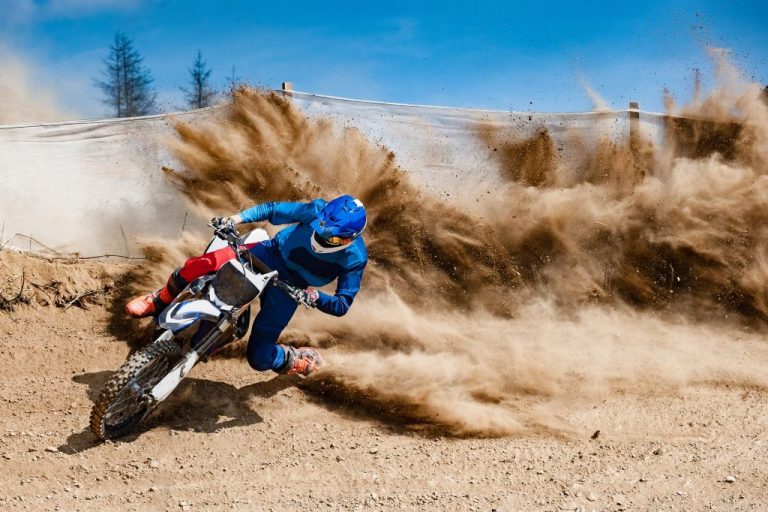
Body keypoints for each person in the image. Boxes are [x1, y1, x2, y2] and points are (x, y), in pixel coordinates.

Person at [125, 195, 368, 377]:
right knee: (199, 265)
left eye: (333, 238)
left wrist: (314, 297)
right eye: (321, 229)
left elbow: (342, 304)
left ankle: (294, 357)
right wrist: (235, 219)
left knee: (259, 358)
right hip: (268, 254)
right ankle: (159, 301)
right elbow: (272, 209)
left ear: (349, 239)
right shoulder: (315, 211)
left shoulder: (355, 258)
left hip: (293, 286)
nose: (323, 237)